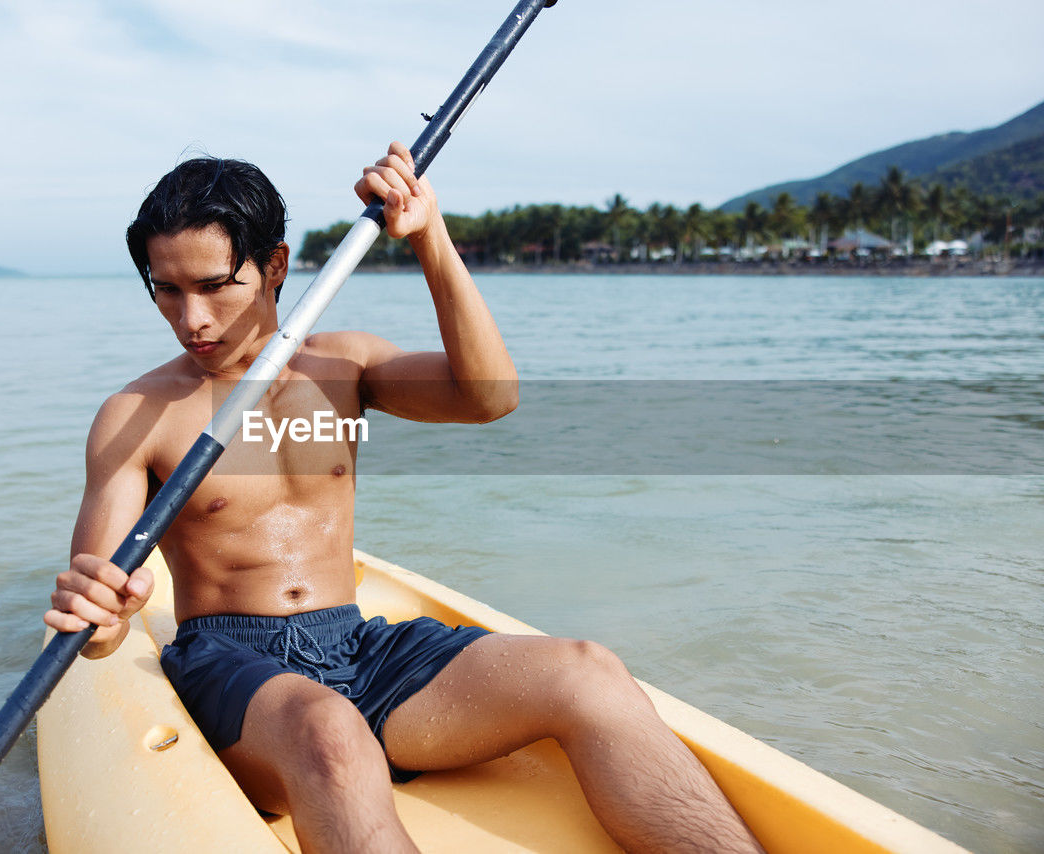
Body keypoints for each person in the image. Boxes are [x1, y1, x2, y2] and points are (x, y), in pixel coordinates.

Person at [44, 141, 763, 854]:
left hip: (358, 646)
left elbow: (490, 398)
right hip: (231, 664)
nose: (190, 317)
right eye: (167, 290)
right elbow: (96, 612)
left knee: (588, 670)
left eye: (214, 285)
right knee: (332, 733)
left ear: (276, 267)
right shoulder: (138, 411)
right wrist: (103, 619)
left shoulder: (342, 365)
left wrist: (429, 238)